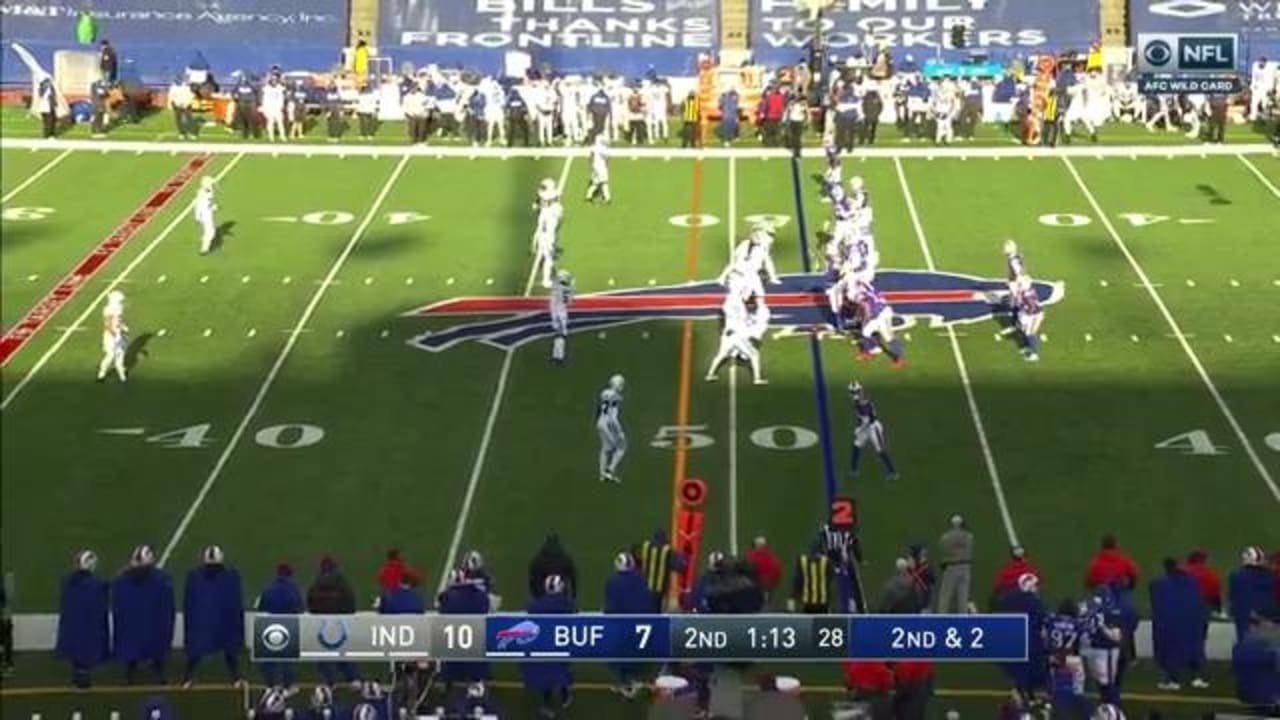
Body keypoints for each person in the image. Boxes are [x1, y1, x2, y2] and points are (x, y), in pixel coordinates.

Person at [182, 545, 244, 687]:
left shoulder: (194, 576)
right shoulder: (230, 576)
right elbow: (236, 601)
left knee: (196, 651)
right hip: (223, 621)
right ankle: (235, 677)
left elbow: (189, 601)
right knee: (230, 651)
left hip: (203, 622)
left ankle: (187, 677)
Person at [112, 545, 175, 684]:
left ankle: (131, 672)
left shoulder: (122, 581)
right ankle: (158, 672)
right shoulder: (161, 580)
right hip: (152, 623)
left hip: (133, 623)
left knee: (132, 646)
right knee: (156, 646)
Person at [1149, 557, 1209, 690]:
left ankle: (1172, 680)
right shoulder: (1191, 582)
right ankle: (1196, 677)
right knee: (1193, 647)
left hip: (1171, 622)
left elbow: (1156, 603)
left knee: (1170, 650)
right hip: (1191, 621)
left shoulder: (1159, 585)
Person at [521, 576, 575, 716]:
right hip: (561, 644)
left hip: (544, 645)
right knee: (563, 668)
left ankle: (548, 704)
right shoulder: (567, 604)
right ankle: (565, 695)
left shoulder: (534, 605)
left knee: (546, 674)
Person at [56, 550, 109, 688]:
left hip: (73, 625)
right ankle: (83, 678)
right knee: (86, 651)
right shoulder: (97, 585)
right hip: (88, 624)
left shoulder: (68, 582)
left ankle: (77, 676)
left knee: (76, 651)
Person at [436, 569, 492, 693]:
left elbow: (442, 609)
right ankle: (478, 688)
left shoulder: (449, 597)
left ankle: (446, 684)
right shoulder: (481, 597)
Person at [308, 555, 359, 688]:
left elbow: (311, 602)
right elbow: (350, 601)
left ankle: (329, 682)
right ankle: (353, 679)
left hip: (322, 623)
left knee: (323, 654)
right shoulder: (342, 581)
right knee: (344, 651)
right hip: (340, 622)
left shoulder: (317, 582)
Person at [604, 552, 650, 698]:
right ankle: (630, 681)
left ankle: (628, 683)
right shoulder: (641, 578)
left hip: (623, 624)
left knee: (620, 655)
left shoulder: (614, 582)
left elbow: (611, 607)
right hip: (641, 622)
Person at [255, 564, 301, 691]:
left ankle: (271, 684)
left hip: (270, 625)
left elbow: (260, 607)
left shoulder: (268, 589)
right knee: (287, 658)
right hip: (288, 625)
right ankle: (288, 686)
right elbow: (300, 607)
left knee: (269, 656)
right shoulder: (294, 590)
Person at [705, 294, 766, 384]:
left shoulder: (731, 309)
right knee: (754, 355)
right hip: (736, 336)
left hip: (727, 335)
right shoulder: (741, 311)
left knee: (721, 354)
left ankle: (710, 374)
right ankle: (757, 379)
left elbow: (723, 314)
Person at [1230, 546, 1278, 641]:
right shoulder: (1269, 576)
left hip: (1244, 613)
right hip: (1265, 613)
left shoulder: (1236, 576)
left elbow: (1233, 596)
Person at [636, 529, 685, 612]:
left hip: (643, 587)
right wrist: (680, 556)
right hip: (659, 590)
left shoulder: (645, 546)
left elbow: (634, 560)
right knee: (656, 612)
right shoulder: (667, 551)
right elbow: (679, 567)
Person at [936, 514, 974, 613]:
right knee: (963, 595)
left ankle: (942, 616)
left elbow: (942, 549)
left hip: (951, 566)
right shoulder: (969, 536)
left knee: (945, 595)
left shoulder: (946, 537)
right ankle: (963, 617)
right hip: (965, 566)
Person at [596, 373, 626, 483]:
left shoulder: (604, 393)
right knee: (621, 447)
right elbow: (613, 417)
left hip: (600, 423)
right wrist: (619, 431)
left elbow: (600, 409)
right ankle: (610, 470)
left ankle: (603, 475)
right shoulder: (616, 397)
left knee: (605, 448)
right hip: (608, 425)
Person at [528, 534, 578, 600]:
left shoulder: (538, 559)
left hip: (541, 595)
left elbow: (532, 579)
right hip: (561, 595)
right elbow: (573, 577)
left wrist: (534, 595)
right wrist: (573, 595)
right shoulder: (565, 558)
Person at [95, 290, 129, 383]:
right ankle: (101, 374)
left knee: (120, 354)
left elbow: (119, 320)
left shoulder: (119, 308)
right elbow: (108, 324)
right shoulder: (108, 309)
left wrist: (122, 328)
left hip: (118, 333)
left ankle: (122, 377)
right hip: (110, 336)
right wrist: (114, 334)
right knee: (110, 355)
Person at [790, 542, 832, 613]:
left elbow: (798, 580)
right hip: (822, 601)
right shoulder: (826, 562)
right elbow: (830, 580)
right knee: (822, 622)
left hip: (809, 601)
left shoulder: (802, 561)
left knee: (809, 621)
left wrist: (793, 596)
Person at [744, 536, 782, 603]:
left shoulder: (750, 555)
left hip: (754, 586)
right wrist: (773, 584)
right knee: (765, 604)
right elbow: (777, 571)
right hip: (768, 586)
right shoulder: (772, 556)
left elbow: (745, 569)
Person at [549, 269, 573, 364]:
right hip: (558, 311)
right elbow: (569, 301)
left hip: (559, 312)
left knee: (560, 334)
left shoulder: (559, 288)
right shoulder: (566, 289)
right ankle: (556, 356)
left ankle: (559, 357)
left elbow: (554, 278)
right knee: (558, 334)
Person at [194, 175, 218, 255]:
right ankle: (204, 249)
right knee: (211, 232)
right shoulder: (203, 193)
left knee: (208, 231)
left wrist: (213, 207)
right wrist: (197, 216)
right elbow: (199, 205)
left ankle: (205, 243)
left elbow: (208, 204)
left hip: (206, 213)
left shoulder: (208, 191)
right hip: (205, 214)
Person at [585, 134, 611, 204]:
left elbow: (590, 157)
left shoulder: (593, 147)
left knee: (595, 182)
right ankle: (607, 198)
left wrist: (592, 164)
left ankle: (588, 197)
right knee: (604, 182)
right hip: (601, 167)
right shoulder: (602, 148)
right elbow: (607, 157)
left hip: (594, 166)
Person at [232, 74, 258, 139]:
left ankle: (251, 133)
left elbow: (256, 92)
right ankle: (240, 133)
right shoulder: (238, 86)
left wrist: (254, 101)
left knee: (251, 119)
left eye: (245, 79)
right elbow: (233, 93)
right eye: (243, 79)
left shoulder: (251, 86)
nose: (244, 81)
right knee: (240, 118)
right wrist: (235, 98)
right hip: (241, 103)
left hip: (250, 104)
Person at [262, 75, 286, 142]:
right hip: (270, 108)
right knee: (270, 122)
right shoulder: (267, 88)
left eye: (275, 80)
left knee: (280, 123)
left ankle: (282, 136)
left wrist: (281, 78)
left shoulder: (279, 87)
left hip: (278, 108)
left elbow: (284, 85)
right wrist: (267, 77)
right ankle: (271, 137)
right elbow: (263, 84)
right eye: (273, 80)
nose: (274, 82)